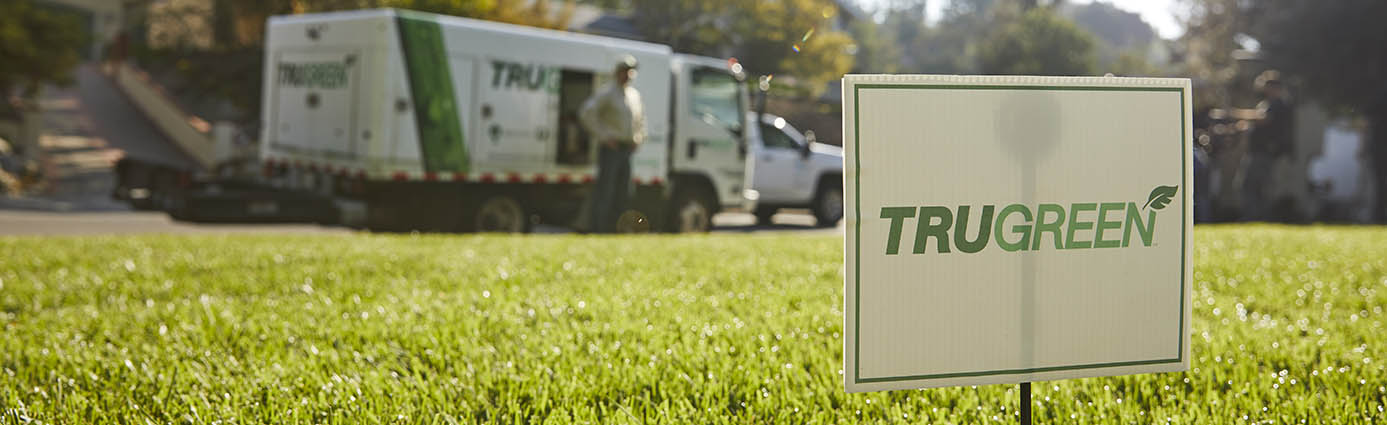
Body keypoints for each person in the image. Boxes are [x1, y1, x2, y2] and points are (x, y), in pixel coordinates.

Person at [579, 55, 646, 233]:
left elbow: (639, 121)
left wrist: (638, 138)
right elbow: (587, 113)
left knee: (624, 192)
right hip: (611, 148)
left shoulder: (633, 95)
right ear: (617, 73)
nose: (628, 75)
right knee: (606, 191)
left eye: (631, 72)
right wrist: (604, 136)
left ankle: (618, 228)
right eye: (624, 71)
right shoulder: (607, 93)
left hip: (626, 149)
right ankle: (599, 228)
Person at [1239, 70, 1294, 221]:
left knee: (1255, 186)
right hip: (1258, 151)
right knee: (1254, 186)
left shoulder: (1278, 104)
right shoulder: (1269, 104)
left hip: (1264, 152)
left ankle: (1256, 217)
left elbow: (1263, 119)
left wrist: (1235, 114)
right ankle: (1256, 217)